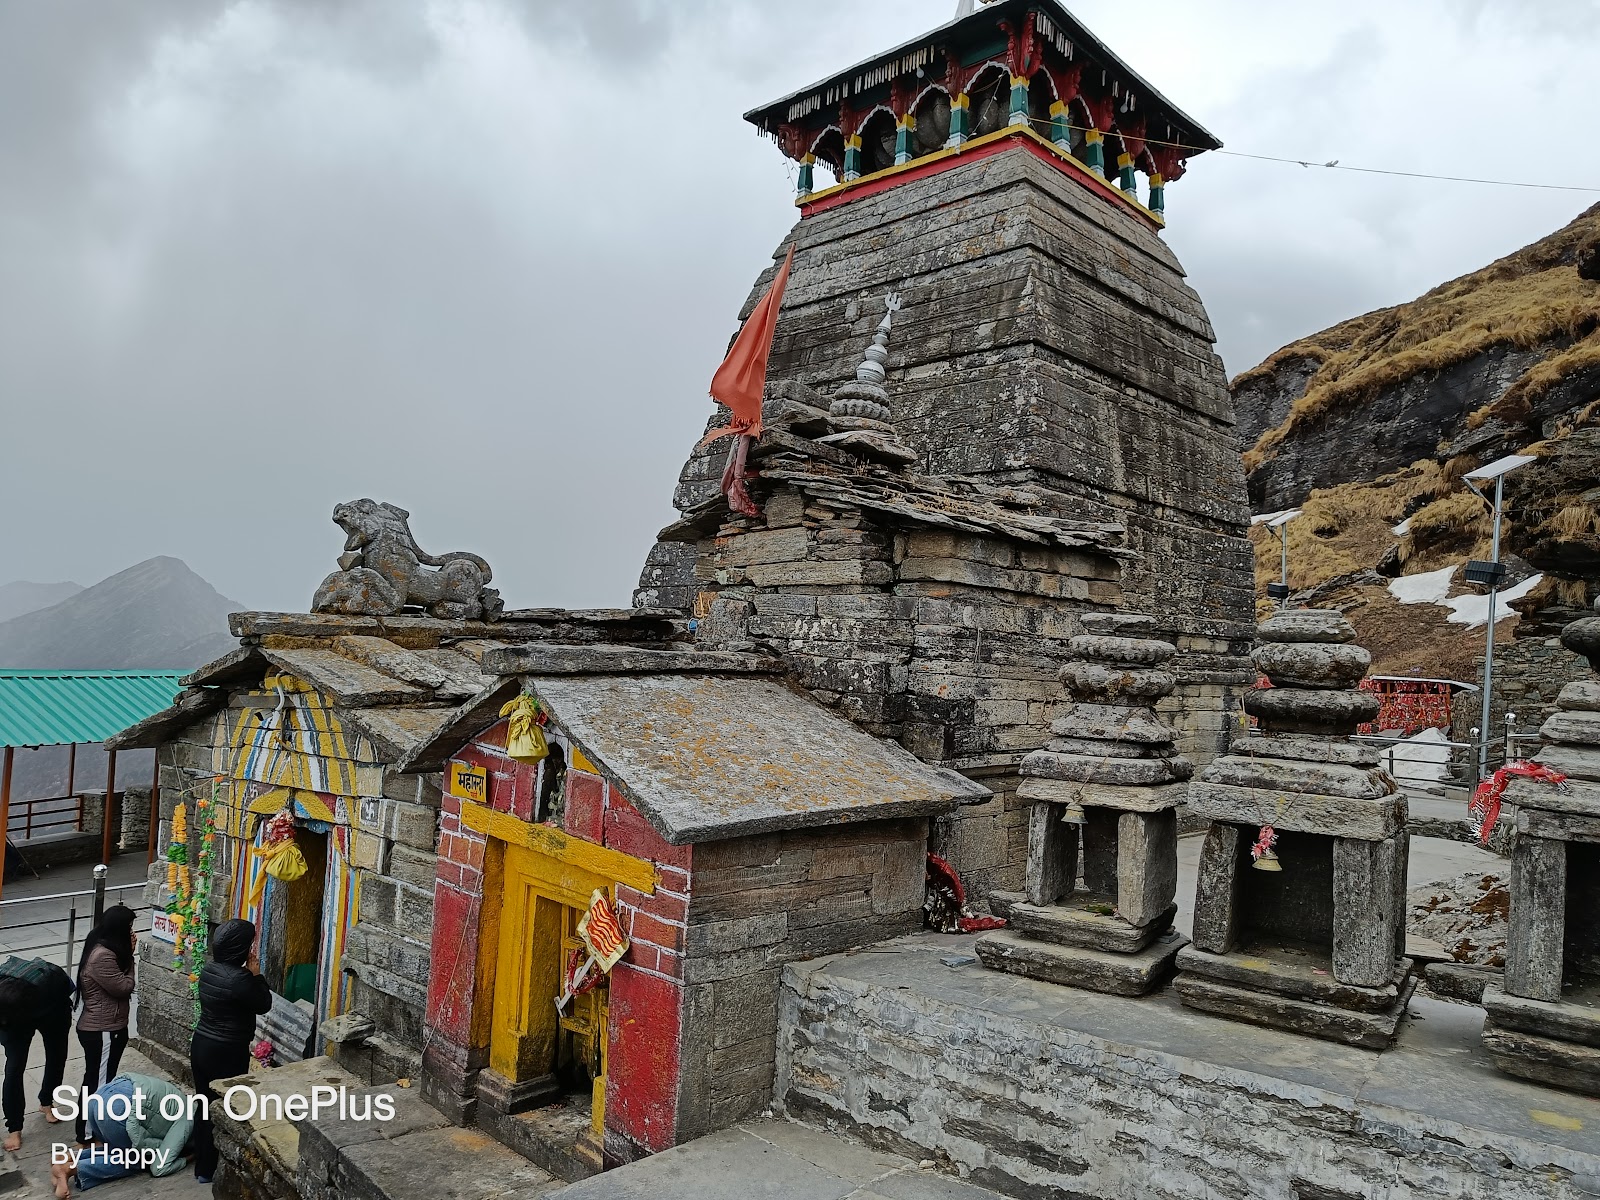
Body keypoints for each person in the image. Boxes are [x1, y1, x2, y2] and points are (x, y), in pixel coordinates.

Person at [189, 919, 270, 1184]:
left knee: (203, 1103)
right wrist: (257, 974)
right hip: (227, 1049)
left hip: (202, 1043)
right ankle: (220, 1164)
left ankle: (203, 1166)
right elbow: (264, 1004)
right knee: (228, 1107)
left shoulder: (209, 969)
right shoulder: (240, 979)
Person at [47, 1071, 193, 1196]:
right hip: (118, 1110)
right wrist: (188, 1158)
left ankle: (68, 1156)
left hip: (99, 1099)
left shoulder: (180, 1097)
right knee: (137, 1160)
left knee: (122, 1149)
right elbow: (160, 1168)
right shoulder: (187, 1120)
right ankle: (69, 1169)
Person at [73, 905, 137, 1145]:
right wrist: (131, 958)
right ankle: (88, 1135)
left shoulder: (104, 947)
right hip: (102, 1030)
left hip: (109, 1027)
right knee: (99, 1084)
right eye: (129, 927)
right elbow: (123, 987)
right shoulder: (102, 956)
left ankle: (91, 1130)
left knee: (99, 1078)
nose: (132, 933)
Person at [0, 957, 74, 1153]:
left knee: (57, 1053)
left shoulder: (52, 981)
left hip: (51, 1009)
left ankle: (47, 1101)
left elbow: (69, 991)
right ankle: (14, 1127)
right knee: (14, 1068)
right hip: (12, 1015)